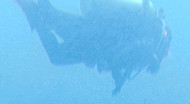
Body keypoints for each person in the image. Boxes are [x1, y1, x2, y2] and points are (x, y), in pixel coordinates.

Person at [15, 0, 172, 94]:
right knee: (55, 46)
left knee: (52, 19)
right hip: (95, 39)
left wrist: (117, 75)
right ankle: (30, 9)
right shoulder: (148, 51)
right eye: (166, 54)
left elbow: (122, 51)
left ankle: (30, 9)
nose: (165, 56)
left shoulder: (146, 42)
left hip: (96, 34)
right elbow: (120, 54)